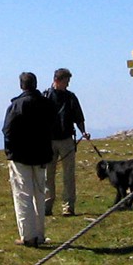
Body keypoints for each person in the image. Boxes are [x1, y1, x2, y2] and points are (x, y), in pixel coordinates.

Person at [1, 72, 54, 246]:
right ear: (35, 84)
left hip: (21, 156)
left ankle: (28, 236)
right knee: (39, 194)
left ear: (22, 85)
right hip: (42, 155)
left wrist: (10, 151)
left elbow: (7, 130)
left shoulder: (17, 105)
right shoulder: (47, 104)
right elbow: (53, 126)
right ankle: (39, 234)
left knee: (23, 194)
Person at [42, 68, 89, 216]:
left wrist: (83, 131)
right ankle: (46, 206)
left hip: (67, 139)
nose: (67, 85)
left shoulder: (70, 97)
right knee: (47, 176)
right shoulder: (45, 97)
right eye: (66, 82)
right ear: (57, 81)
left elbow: (78, 117)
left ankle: (68, 207)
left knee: (68, 175)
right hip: (49, 140)